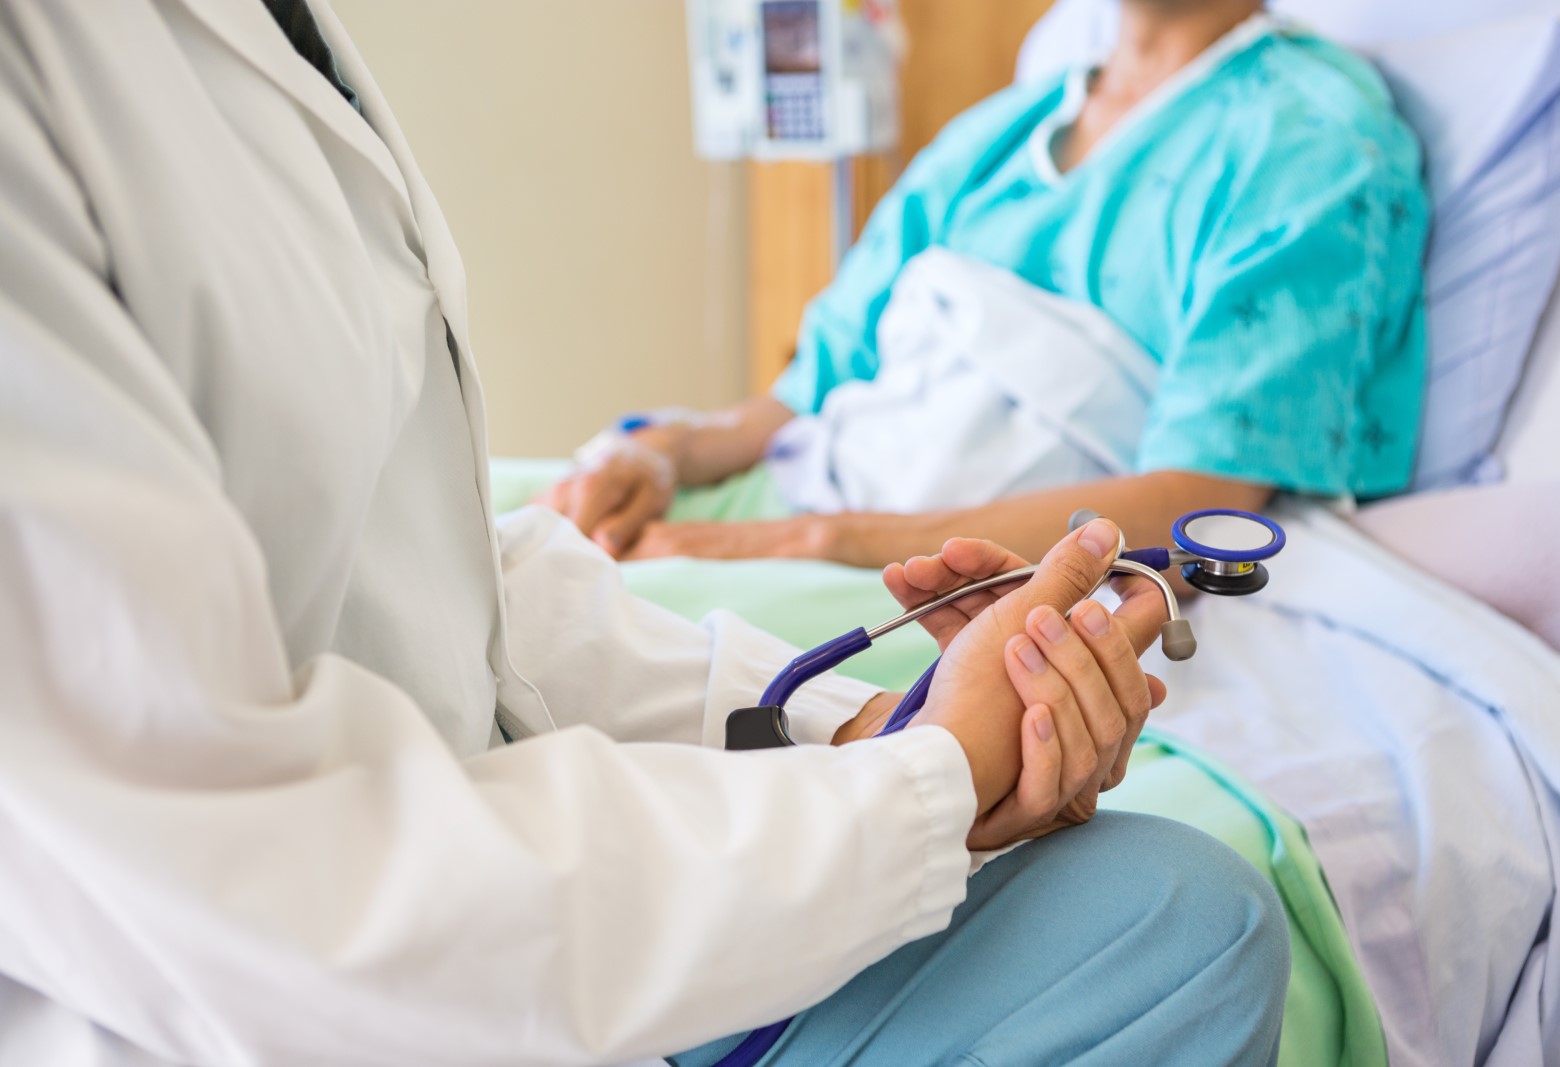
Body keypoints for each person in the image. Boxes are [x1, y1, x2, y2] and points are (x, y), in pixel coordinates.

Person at [0, 2, 1289, 1065]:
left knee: (1186, 905)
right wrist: (920, 775)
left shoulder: (1308, 125)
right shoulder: (996, 132)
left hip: (530, 833)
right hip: (297, 986)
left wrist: (862, 724)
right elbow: (266, 880)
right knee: (1185, 932)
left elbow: (412, 565)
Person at [543, 0, 1430, 569]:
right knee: (487, 536)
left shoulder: (1319, 142)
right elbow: (806, 391)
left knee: (543, 635)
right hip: (808, 490)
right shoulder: (996, 134)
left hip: (934, 571)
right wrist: (663, 451)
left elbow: (1200, 500)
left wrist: (811, 546)